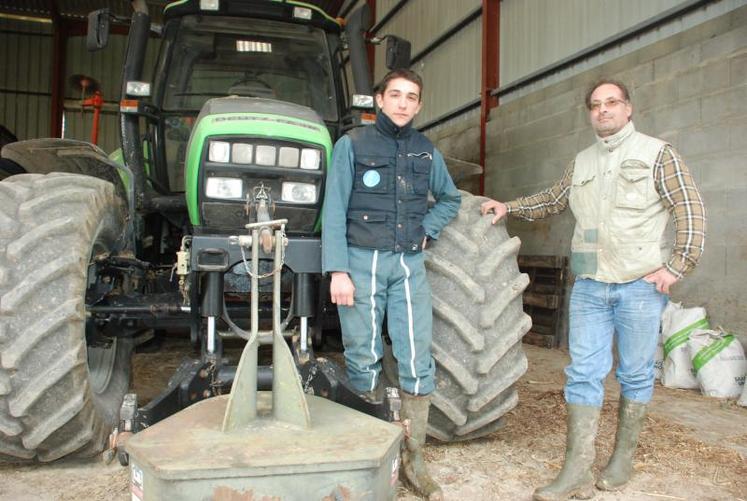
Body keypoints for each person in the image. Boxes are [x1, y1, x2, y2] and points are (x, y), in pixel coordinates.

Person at [481, 79, 705, 500]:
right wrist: (508, 207)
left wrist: (677, 266)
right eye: (596, 105)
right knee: (583, 373)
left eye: (612, 103)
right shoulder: (581, 161)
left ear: (628, 108)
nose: (603, 110)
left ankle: (621, 457)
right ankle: (576, 467)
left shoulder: (658, 154)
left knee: (635, 373)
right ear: (590, 113)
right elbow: (552, 200)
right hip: (589, 285)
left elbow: (690, 208)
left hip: (640, 285)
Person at [322, 68, 461, 500]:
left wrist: (428, 230)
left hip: (407, 265)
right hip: (361, 262)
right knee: (362, 354)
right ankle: (373, 455)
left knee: (417, 356)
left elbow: (451, 198)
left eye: (411, 97)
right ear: (379, 100)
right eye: (395, 95)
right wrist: (338, 271)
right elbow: (333, 210)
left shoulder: (426, 152)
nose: (403, 103)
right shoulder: (352, 145)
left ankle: (414, 459)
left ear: (419, 106)